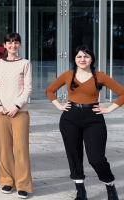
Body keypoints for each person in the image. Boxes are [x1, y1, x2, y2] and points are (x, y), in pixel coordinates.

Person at [46, 45, 121, 200]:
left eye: (86, 56)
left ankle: (110, 185)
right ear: (75, 59)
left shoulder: (100, 76)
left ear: (91, 59)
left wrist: (109, 109)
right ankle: (80, 190)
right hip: (70, 118)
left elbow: (122, 93)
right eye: (79, 56)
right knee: (74, 155)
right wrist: (59, 106)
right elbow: (49, 91)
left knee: (96, 158)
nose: (83, 59)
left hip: (93, 120)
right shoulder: (67, 75)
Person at [0, 32, 33, 199]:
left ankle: (22, 184)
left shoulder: (25, 63)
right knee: (4, 148)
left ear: (19, 45)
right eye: (10, 42)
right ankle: (8, 181)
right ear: (5, 45)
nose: (13, 45)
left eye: (16, 42)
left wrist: (17, 106)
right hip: (1, 111)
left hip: (19, 112)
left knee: (21, 148)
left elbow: (28, 88)